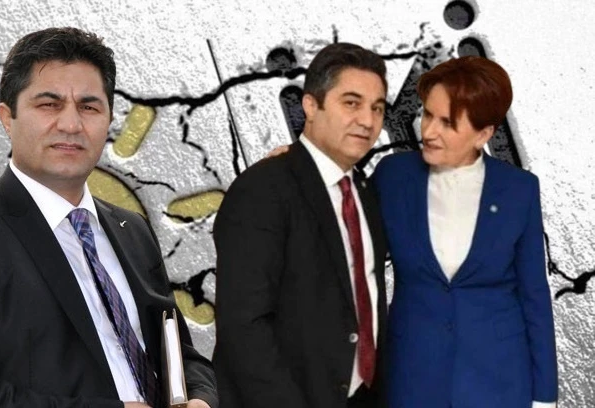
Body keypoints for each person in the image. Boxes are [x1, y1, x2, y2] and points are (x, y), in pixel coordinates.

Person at [0, 27, 217, 408]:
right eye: (49, 105)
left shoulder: (132, 229)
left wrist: (200, 397)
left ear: (108, 119)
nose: (71, 124)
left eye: (89, 107)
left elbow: (180, 353)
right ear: (7, 117)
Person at [373, 56, 558, 407]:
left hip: (500, 380)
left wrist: (545, 397)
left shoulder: (519, 189)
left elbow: (534, 294)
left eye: (447, 122)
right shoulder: (393, 176)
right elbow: (340, 223)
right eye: (427, 114)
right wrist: (294, 164)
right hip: (411, 376)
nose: (428, 131)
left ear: (483, 135)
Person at [213, 43, 389, 408]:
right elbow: (244, 327)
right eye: (351, 103)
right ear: (310, 105)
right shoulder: (263, 188)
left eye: (377, 107)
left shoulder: (365, 191)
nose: (368, 120)